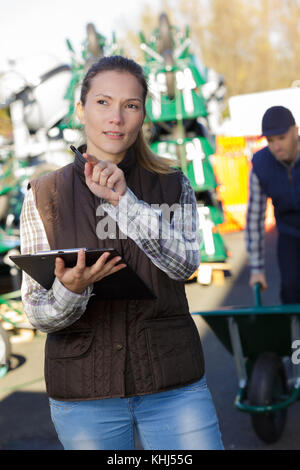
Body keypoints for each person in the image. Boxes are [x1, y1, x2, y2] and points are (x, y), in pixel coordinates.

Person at [20, 55, 223, 450]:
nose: (116, 117)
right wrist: (71, 290)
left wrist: (124, 202)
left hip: (172, 383)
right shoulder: (44, 194)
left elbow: (184, 266)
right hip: (84, 392)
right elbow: (37, 312)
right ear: (80, 109)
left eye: (130, 106)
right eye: (103, 102)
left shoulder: (171, 183)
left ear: (143, 114)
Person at [246, 105, 300, 303]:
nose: (276, 146)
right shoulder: (261, 166)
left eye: (282, 138)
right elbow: (254, 218)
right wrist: (256, 269)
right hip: (289, 232)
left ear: (295, 131)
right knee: (291, 289)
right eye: (270, 140)